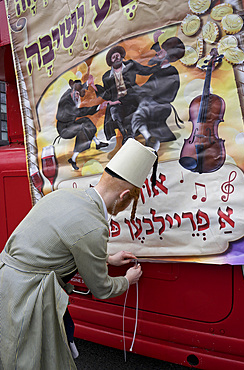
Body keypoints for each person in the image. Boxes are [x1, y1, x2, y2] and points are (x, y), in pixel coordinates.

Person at [0, 138, 157, 370]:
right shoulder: (95, 225)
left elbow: (58, 242)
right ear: (124, 195)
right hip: (28, 296)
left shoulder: (61, 195)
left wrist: (108, 259)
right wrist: (127, 280)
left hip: (6, 281)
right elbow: (101, 289)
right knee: (28, 360)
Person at [94, 45, 157, 145]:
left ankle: (133, 134)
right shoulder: (106, 76)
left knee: (137, 110)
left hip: (132, 97)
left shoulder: (130, 64)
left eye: (117, 55)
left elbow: (145, 71)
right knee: (114, 110)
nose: (116, 58)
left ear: (121, 56)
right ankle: (125, 135)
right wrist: (95, 88)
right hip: (118, 101)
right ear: (110, 61)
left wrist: (158, 66)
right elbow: (108, 94)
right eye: (113, 57)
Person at [131, 37, 185, 151]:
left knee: (138, 114)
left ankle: (149, 138)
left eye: (162, 50)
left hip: (158, 104)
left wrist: (135, 88)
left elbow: (154, 89)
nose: (158, 52)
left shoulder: (171, 72)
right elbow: (145, 69)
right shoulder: (158, 68)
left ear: (169, 56)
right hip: (150, 101)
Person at [56, 78, 108, 170]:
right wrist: (98, 107)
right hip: (64, 129)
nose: (78, 96)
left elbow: (80, 87)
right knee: (83, 128)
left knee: (86, 121)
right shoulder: (66, 102)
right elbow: (79, 112)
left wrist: (88, 82)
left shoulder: (72, 93)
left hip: (70, 123)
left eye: (79, 94)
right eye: (77, 94)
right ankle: (73, 159)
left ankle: (98, 143)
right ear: (72, 91)